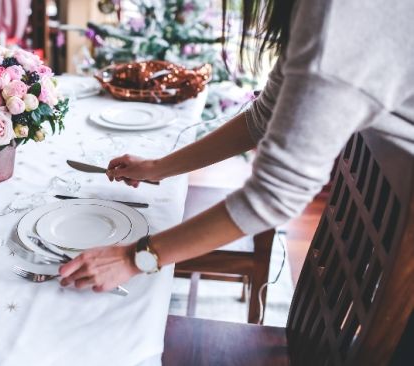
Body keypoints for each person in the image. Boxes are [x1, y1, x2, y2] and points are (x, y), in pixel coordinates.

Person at [58, 0, 414, 292]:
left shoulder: (340, 15)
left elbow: (273, 196)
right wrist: (157, 168)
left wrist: (134, 259)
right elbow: (263, 117)